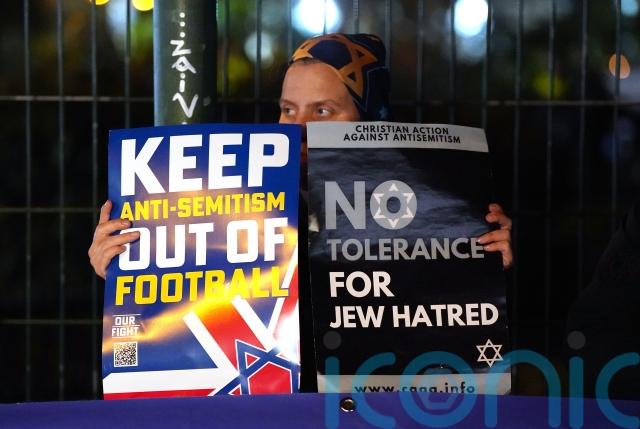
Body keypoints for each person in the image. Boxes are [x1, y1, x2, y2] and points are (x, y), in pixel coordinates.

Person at [89, 33, 513, 391]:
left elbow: (453, 330)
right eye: (288, 109)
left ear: (369, 119)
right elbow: (182, 320)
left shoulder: (432, 205)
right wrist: (125, 267)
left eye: (322, 111)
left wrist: (483, 265)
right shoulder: (230, 202)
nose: (299, 128)